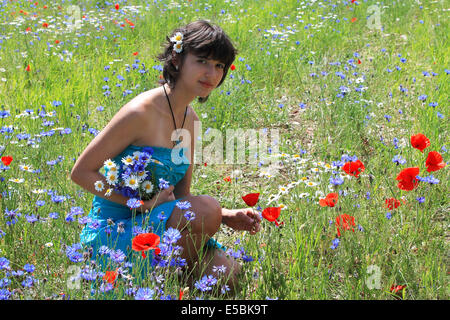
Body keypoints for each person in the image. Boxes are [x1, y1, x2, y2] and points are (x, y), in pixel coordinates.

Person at [71, 20, 261, 295]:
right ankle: (145, 281)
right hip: (114, 232)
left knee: (229, 274)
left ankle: (162, 280)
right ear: (176, 58)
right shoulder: (140, 113)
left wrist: (226, 216)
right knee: (207, 208)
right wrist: (140, 204)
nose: (212, 73)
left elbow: (183, 200)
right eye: (203, 61)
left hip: (156, 226)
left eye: (219, 65)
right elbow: (81, 172)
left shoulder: (191, 120)